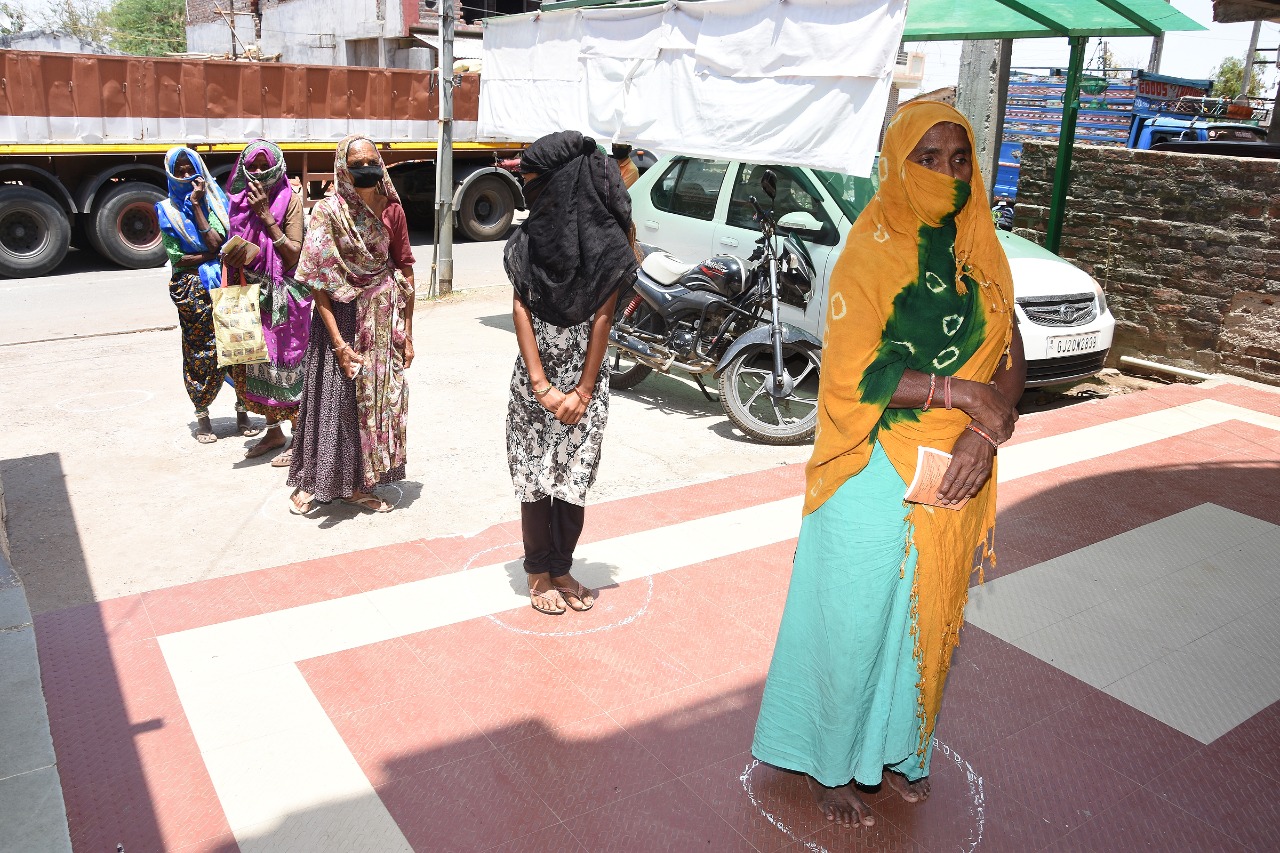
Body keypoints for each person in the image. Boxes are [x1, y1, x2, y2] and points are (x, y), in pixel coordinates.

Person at [751, 101, 1026, 826]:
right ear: (897, 166)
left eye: (958, 157)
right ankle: (829, 761)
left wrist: (983, 434)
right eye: (927, 158)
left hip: (954, 466)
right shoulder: (869, 254)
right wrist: (962, 393)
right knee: (854, 618)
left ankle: (901, 751)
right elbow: (852, 374)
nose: (946, 173)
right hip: (868, 459)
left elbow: (1009, 345)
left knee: (920, 619)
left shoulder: (981, 244)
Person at [504, 131, 639, 615]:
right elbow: (521, 306)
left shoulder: (607, 244)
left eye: (533, 177)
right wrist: (542, 387)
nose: (528, 186)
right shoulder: (529, 237)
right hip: (537, 382)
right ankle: (538, 571)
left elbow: (603, 317)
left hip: (586, 383)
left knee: (573, 479)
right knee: (535, 477)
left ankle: (561, 566)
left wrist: (582, 390)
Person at [286, 136, 416, 514]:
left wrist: (408, 332)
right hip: (338, 319)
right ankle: (317, 480)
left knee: (374, 405)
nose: (366, 168)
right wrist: (340, 345)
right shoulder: (328, 212)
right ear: (343, 165)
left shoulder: (392, 208)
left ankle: (361, 483)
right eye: (357, 162)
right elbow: (318, 283)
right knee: (334, 402)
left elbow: (405, 267)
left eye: (372, 161)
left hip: (380, 318)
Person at [156, 147, 260, 443]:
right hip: (191, 287)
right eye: (181, 170)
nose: (188, 175)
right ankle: (202, 417)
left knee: (239, 348)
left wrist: (199, 206)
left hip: (227, 280)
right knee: (199, 352)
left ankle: (243, 412)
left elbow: (218, 240)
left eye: (192, 168)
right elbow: (178, 258)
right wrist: (213, 253)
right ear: (170, 173)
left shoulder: (216, 201)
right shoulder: (166, 209)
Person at [221, 139, 311, 466]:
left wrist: (266, 217)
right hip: (250, 293)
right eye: (253, 165)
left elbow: (293, 254)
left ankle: (299, 436)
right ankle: (273, 432)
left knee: (286, 366)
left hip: (284, 295)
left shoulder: (291, 200)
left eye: (264, 165)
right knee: (257, 365)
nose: (258, 172)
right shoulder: (238, 200)